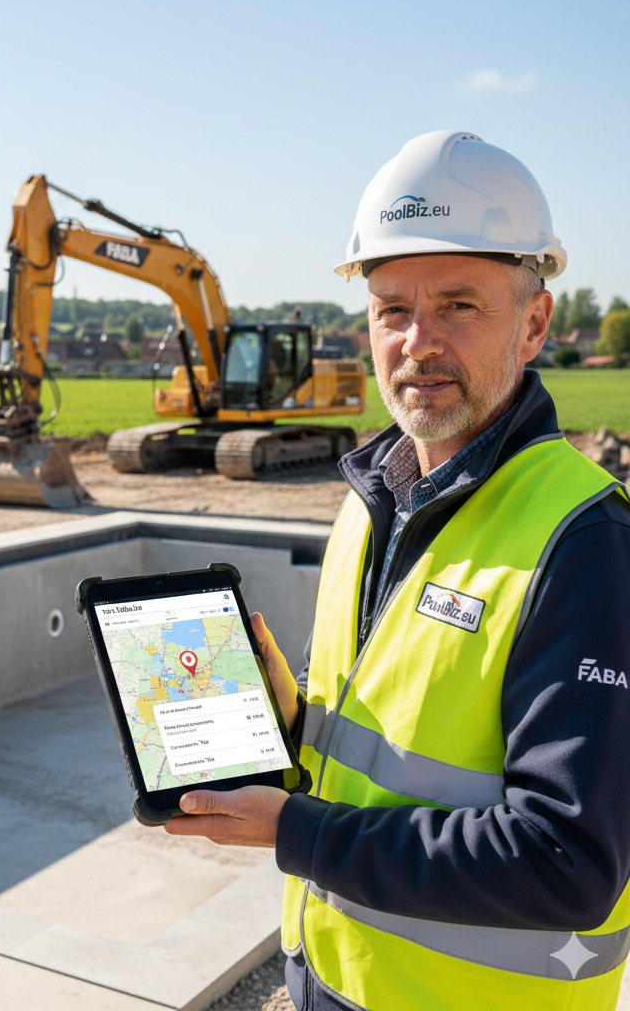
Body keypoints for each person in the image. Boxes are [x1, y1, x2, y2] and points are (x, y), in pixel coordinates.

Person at [165, 130, 630, 1011]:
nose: (418, 342)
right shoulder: (369, 500)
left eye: (458, 305)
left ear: (534, 323)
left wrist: (296, 833)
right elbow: (385, 754)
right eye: (391, 309)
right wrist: (291, 719)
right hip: (333, 980)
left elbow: (569, 864)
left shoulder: (583, 542)